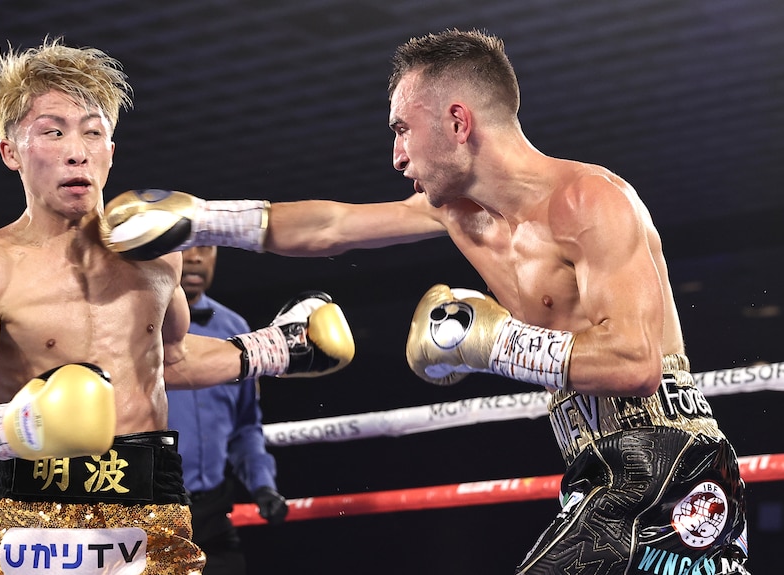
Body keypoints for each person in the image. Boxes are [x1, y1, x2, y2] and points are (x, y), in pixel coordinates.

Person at [103, 29, 750, 575]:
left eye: (402, 129)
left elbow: (635, 363)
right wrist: (201, 219)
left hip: (668, 463)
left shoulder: (590, 201)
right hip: (598, 468)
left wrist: (492, 342)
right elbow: (330, 226)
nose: (396, 154)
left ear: (458, 120)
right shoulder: (458, 215)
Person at [0, 37, 354, 575]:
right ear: (11, 150)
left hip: (151, 515)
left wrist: (274, 349)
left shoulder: (156, 255)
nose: (77, 150)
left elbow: (167, 361)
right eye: (53, 131)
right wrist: (21, 425)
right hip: (33, 521)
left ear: (111, 148)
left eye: (93, 131)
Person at [168, 245, 288, 574]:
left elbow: (245, 426)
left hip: (214, 513)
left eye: (204, 248)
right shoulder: (130, 330)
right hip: (152, 514)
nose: (194, 258)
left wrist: (262, 484)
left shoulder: (235, 328)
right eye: (182, 248)